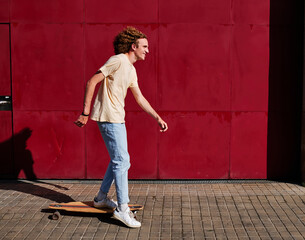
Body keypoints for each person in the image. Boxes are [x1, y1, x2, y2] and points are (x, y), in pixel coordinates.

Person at [74, 26, 168, 228]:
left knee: (119, 158)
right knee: (122, 160)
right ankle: (122, 208)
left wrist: (157, 117)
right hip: (108, 117)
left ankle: (101, 198)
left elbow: (140, 98)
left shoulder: (131, 69)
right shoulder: (117, 60)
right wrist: (85, 112)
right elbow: (92, 81)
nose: (147, 50)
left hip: (117, 118)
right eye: (144, 46)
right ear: (133, 46)